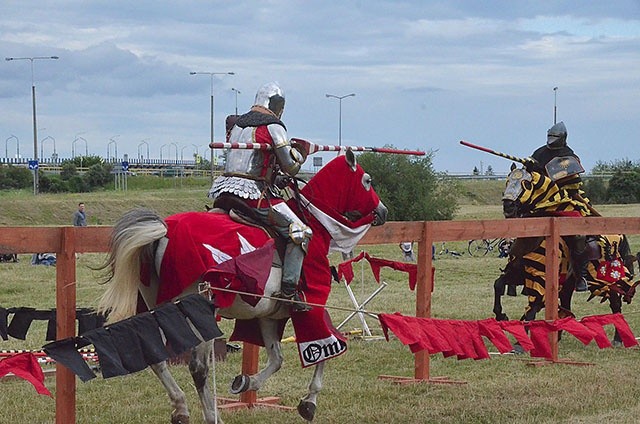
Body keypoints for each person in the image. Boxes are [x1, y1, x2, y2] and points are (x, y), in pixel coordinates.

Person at [208, 82, 312, 312]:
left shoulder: (237, 125)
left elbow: (253, 162)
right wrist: (302, 152)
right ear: (277, 105)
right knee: (301, 231)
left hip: (224, 190)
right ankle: (289, 294)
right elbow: (291, 166)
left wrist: (275, 178)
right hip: (252, 195)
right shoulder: (274, 126)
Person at [529, 121, 590, 291]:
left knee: (578, 236)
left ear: (563, 138)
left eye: (555, 137)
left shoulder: (569, 156)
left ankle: (580, 276)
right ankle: (513, 270)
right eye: (551, 136)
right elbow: (530, 177)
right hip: (541, 203)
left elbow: (573, 184)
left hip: (564, 202)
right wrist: (530, 167)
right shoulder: (539, 153)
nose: (552, 139)